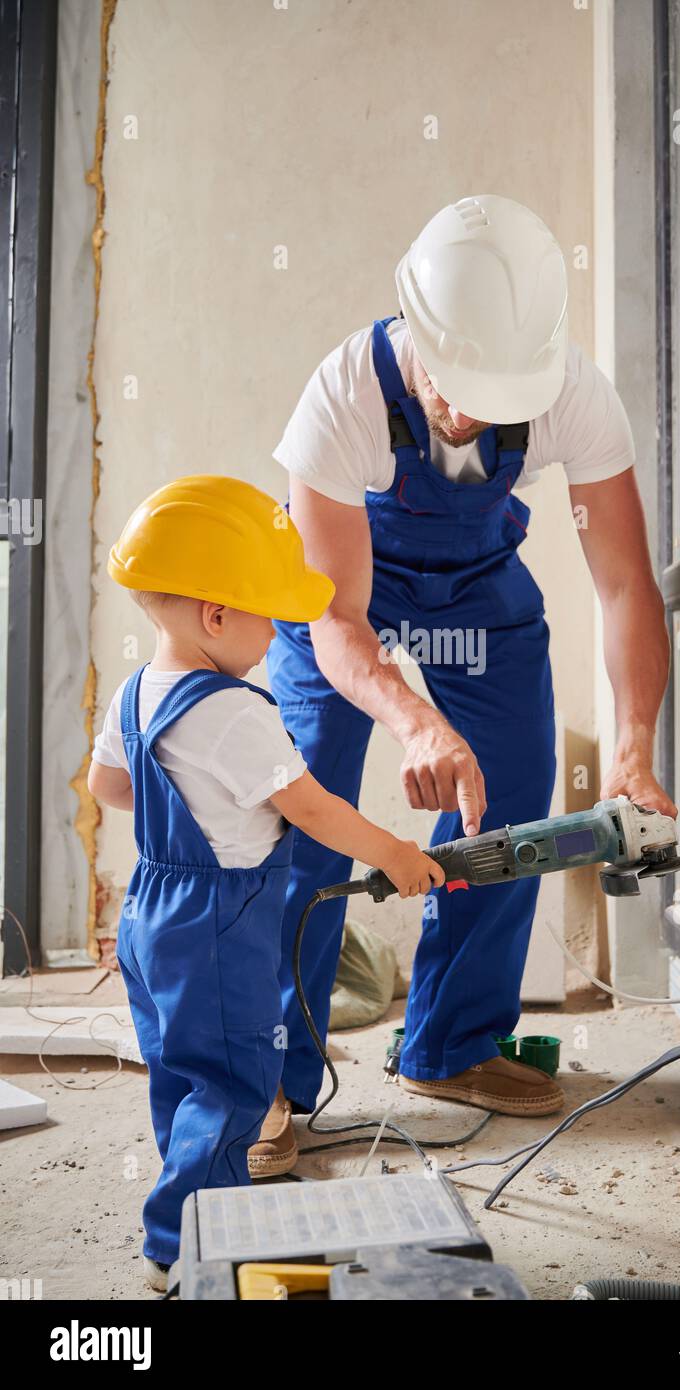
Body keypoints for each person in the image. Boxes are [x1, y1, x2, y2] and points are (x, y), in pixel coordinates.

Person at [260, 195, 674, 1169]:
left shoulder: (573, 391)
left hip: (478, 585)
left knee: (515, 792)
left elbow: (623, 585)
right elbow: (337, 620)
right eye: (454, 385)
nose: (471, 411)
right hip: (343, 590)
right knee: (304, 800)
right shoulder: (342, 397)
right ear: (415, 329)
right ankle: (270, 1079)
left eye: (497, 391)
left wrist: (634, 749)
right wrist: (412, 721)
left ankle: (449, 1043)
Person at [88, 474, 444, 1290]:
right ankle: (183, 1247)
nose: (279, 634)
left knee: (181, 1072)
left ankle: (205, 1214)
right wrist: (392, 850)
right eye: (270, 616)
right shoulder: (238, 712)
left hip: (151, 911)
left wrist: (195, 795)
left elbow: (110, 789)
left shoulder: (138, 692)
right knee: (238, 1079)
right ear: (217, 614)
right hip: (218, 922)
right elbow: (313, 809)